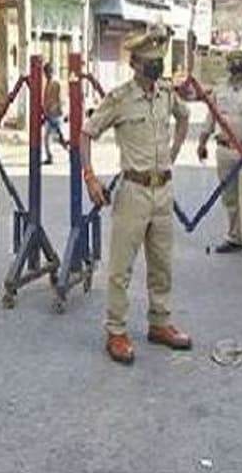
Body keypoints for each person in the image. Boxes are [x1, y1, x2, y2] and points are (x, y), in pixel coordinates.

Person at [80, 25, 191, 364]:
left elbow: (184, 119)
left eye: (159, 60)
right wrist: (91, 178)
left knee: (162, 264)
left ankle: (160, 323)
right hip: (133, 191)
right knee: (120, 268)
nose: (156, 67)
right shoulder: (119, 99)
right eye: (150, 61)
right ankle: (116, 331)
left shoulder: (167, 95)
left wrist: (172, 156)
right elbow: (86, 133)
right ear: (135, 64)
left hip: (163, 191)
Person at [196, 49, 242, 262]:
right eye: (233, 62)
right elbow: (210, 119)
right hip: (224, 150)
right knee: (229, 197)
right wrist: (201, 143)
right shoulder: (219, 90)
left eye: (240, 62)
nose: (236, 65)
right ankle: (234, 237)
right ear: (228, 66)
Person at [42, 61, 67, 165]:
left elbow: (60, 98)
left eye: (47, 72)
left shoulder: (56, 83)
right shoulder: (47, 83)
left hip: (56, 114)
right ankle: (50, 157)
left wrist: (58, 109)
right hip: (49, 114)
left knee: (61, 138)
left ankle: (73, 152)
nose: (46, 75)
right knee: (47, 137)